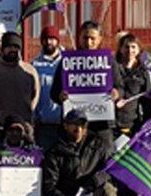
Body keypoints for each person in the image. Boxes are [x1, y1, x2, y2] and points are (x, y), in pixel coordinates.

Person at [42, 108, 125, 196]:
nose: (78, 128)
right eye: (74, 124)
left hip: (91, 192)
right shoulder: (54, 151)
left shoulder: (98, 144)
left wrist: (97, 179)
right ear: (66, 125)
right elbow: (49, 184)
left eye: (82, 125)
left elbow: (110, 169)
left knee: (108, 189)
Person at [49, 21, 117, 153]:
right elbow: (54, 92)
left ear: (100, 39)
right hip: (75, 127)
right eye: (85, 38)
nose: (89, 42)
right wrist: (60, 96)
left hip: (102, 126)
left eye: (93, 38)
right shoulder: (67, 62)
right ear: (79, 38)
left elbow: (120, 87)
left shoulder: (109, 62)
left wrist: (116, 93)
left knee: (103, 164)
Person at [113, 33, 151, 196]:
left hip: (133, 126)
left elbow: (147, 101)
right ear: (120, 49)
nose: (130, 51)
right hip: (112, 126)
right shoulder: (113, 68)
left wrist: (148, 124)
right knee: (113, 169)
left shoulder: (142, 72)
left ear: (138, 50)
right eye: (126, 47)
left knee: (130, 170)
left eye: (133, 47)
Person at [0, 32, 39, 134]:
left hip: (24, 127)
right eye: (9, 46)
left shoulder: (30, 71)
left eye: (16, 47)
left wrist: (26, 112)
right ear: (2, 49)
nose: (13, 50)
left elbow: (35, 96)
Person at [31, 25, 63, 151]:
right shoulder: (35, 65)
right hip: (44, 124)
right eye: (46, 39)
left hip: (64, 124)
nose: (49, 42)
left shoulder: (68, 62)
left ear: (58, 41)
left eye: (52, 38)